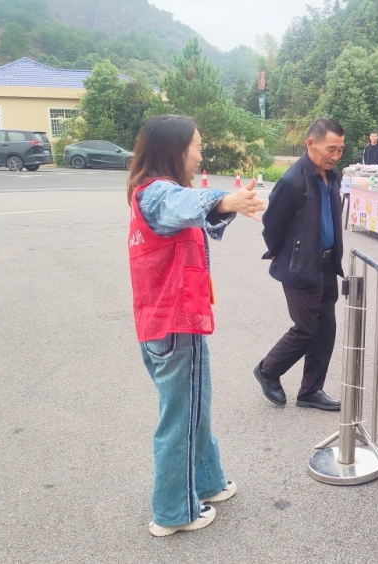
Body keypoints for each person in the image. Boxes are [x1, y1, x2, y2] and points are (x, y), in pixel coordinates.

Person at [127, 115, 266, 537]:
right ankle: (173, 512)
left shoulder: (155, 192)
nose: (200, 155)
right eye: (198, 147)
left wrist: (227, 205)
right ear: (176, 150)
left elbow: (194, 213)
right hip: (173, 326)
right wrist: (226, 200)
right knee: (181, 419)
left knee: (193, 408)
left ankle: (207, 481)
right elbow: (184, 205)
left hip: (171, 323)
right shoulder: (157, 193)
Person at [255, 118, 347, 411]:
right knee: (306, 329)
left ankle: (310, 391)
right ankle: (268, 370)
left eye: (340, 150)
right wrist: (281, 253)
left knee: (326, 330)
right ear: (311, 144)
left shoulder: (333, 176)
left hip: (327, 264)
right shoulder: (292, 181)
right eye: (331, 149)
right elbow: (272, 224)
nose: (336, 156)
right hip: (300, 266)